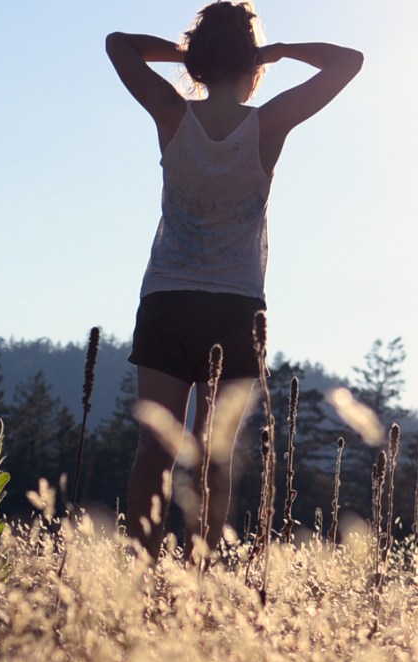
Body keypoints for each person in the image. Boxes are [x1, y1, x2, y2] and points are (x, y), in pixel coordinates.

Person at [106, 2, 362, 562]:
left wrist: (190, 54)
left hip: (167, 299)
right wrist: (279, 51)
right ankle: (197, 574)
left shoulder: (171, 112)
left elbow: (117, 43)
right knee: (213, 453)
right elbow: (349, 61)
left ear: (202, 62)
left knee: (155, 449)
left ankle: (142, 573)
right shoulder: (268, 123)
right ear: (252, 65)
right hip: (236, 309)